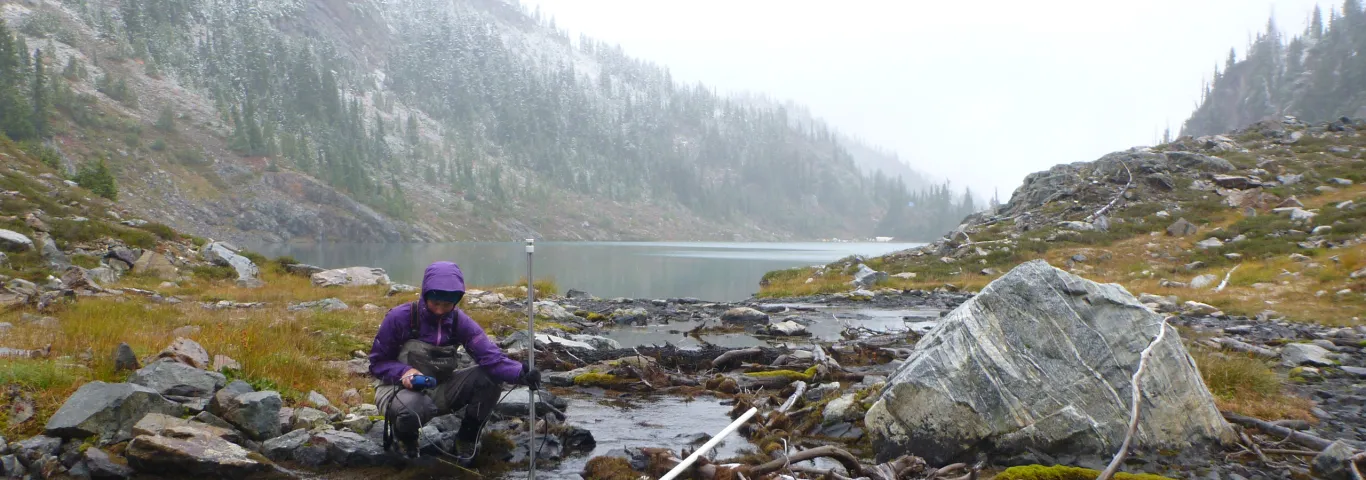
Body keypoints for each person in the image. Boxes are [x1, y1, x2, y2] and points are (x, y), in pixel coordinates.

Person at [369, 261, 541, 465]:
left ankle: (466, 438)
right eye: (435, 303)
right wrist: (404, 372)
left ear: (456, 301)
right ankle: (407, 439)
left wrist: (520, 373)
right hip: (395, 389)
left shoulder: (460, 322)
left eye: (447, 305)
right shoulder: (400, 318)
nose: (440, 310)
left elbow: (491, 358)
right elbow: (377, 363)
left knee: (489, 378)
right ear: (425, 295)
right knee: (414, 407)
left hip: (440, 389)